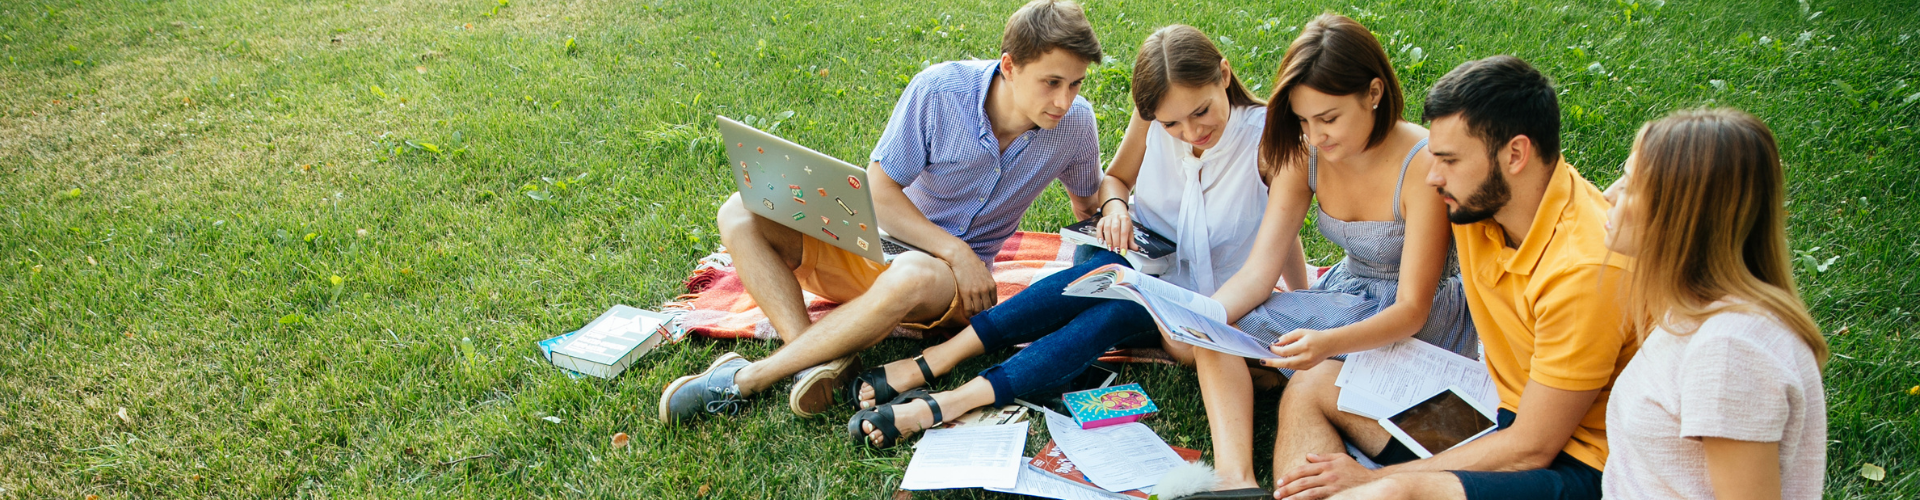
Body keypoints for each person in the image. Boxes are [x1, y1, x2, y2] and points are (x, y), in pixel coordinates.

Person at [659, 0, 1106, 422]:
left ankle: (749, 378)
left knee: (913, 271)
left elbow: (1088, 204)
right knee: (740, 209)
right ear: (1009, 66)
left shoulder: (1075, 126)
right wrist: (956, 250)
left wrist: (1116, 206)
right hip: (877, 248)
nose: (1064, 101)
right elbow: (880, 191)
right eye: (1051, 82)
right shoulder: (940, 91)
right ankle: (812, 363)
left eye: (1075, 83)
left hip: (941, 289)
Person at [846, 24, 1271, 449]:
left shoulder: (1269, 138)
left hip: (1197, 294)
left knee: (1120, 307)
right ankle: (941, 360)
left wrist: (1301, 293)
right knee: (1108, 274)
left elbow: (1280, 237)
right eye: (1172, 123)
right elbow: (1117, 180)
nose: (1191, 131)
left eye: (1200, 112)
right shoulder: (1154, 113)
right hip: (1132, 257)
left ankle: (947, 400)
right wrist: (1116, 208)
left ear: (1226, 75)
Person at [1269, 55, 1637, 500]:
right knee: (1313, 384)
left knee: (1394, 494)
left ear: (1515, 154)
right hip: (1489, 409)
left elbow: (1531, 448)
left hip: (1573, 462)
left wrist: (1375, 479)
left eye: (1448, 159)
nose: (1432, 176)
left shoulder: (1584, 271)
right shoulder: (1478, 202)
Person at [1173, 14, 1478, 499]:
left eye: (1329, 118)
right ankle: (1236, 480)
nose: (1316, 136)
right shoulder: (1304, 153)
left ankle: (1285, 377)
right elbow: (1259, 271)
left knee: (1273, 355)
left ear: (1374, 93)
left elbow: (1413, 308)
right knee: (1209, 336)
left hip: (1417, 322)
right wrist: (1200, 318)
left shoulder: (1421, 162)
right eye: (1302, 120)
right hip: (1346, 295)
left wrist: (1325, 341)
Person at [1600, 108, 1829, 499]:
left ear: (1682, 213)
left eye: (1631, 184)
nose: (1609, 195)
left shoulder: (1730, 350)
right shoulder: (1692, 312)